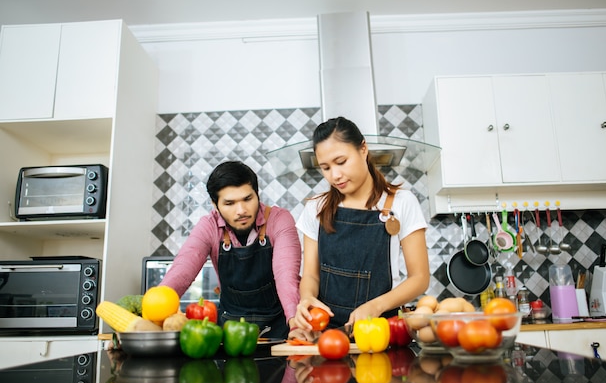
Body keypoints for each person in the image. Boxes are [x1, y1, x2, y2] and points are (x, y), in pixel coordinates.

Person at [293, 117, 430, 333]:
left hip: (379, 330)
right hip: (326, 333)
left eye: (341, 162)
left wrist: (376, 306)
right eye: (325, 168)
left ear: (363, 149)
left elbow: (420, 278)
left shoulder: (402, 202)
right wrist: (307, 297)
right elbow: (310, 275)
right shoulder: (315, 208)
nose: (335, 176)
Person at [160, 160, 302, 338]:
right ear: (215, 204)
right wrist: (154, 314)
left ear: (257, 194)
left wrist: (296, 322)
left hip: (281, 326)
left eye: (247, 199)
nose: (241, 210)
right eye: (229, 203)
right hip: (230, 331)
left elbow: (286, 275)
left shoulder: (279, 220)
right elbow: (182, 270)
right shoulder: (209, 226)